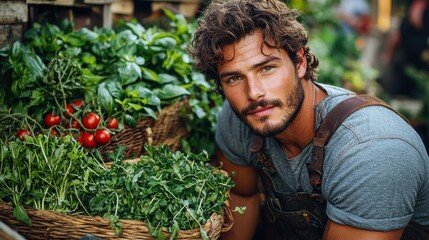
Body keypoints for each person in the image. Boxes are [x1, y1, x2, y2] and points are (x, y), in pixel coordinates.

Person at [188, 0, 429, 239]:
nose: (253, 93)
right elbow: (242, 197)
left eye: (267, 68)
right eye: (234, 79)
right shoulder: (241, 119)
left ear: (300, 62)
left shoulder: (371, 149)